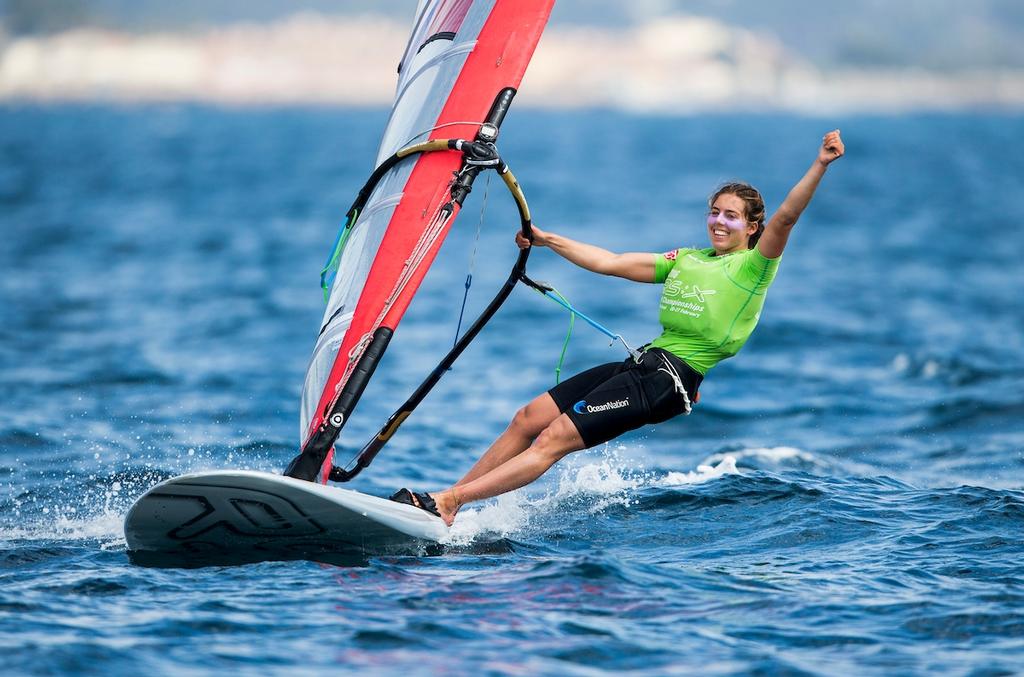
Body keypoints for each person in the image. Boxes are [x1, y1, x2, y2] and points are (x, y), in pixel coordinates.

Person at [391, 130, 845, 526]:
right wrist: (547, 239)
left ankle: (448, 501)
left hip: (671, 381)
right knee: (528, 418)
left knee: (555, 438)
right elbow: (610, 262)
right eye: (714, 212)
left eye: (731, 216)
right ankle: (450, 504)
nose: (719, 222)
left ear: (752, 227)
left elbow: (787, 216)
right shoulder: (687, 259)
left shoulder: (754, 267)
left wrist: (820, 164)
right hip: (644, 364)